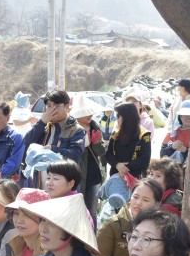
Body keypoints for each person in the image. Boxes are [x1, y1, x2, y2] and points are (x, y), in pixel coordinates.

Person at [96, 178, 165, 256]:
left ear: (157, 205)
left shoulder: (160, 229)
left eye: (145, 200)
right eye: (135, 197)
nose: (138, 203)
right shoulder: (111, 225)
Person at [23, 89, 86, 164]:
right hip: (40, 174)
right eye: (49, 106)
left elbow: (75, 156)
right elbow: (25, 145)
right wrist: (41, 123)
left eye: (56, 106)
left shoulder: (76, 130)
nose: (52, 109)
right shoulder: (44, 126)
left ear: (66, 106)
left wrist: (53, 149)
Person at [70, 96, 106, 225]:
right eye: (85, 113)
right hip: (77, 175)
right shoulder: (71, 129)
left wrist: (96, 142)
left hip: (93, 175)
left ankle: (91, 240)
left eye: (90, 113)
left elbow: (101, 152)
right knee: (78, 210)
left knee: (91, 211)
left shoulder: (95, 128)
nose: (89, 116)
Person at [1, 188, 50, 256]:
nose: (19, 220)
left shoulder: (47, 254)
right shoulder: (13, 244)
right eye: (16, 213)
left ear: (42, 218)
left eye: (27, 215)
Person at [104, 102, 151, 179]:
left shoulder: (144, 134)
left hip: (136, 178)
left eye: (119, 116)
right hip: (116, 176)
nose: (117, 119)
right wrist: (117, 164)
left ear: (128, 117)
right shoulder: (116, 132)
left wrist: (125, 167)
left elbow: (145, 159)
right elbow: (108, 154)